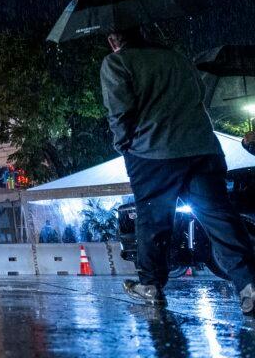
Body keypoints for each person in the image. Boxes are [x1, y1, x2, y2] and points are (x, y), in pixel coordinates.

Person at [101, 27, 255, 311]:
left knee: (153, 219)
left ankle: (151, 285)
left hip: (153, 153)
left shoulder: (117, 62)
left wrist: (124, 145)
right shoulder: (177, 57)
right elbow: (199, 91)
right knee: (219, 216)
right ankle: (249, 283)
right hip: (201, 147)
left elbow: (119, 111)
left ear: (114, 39)